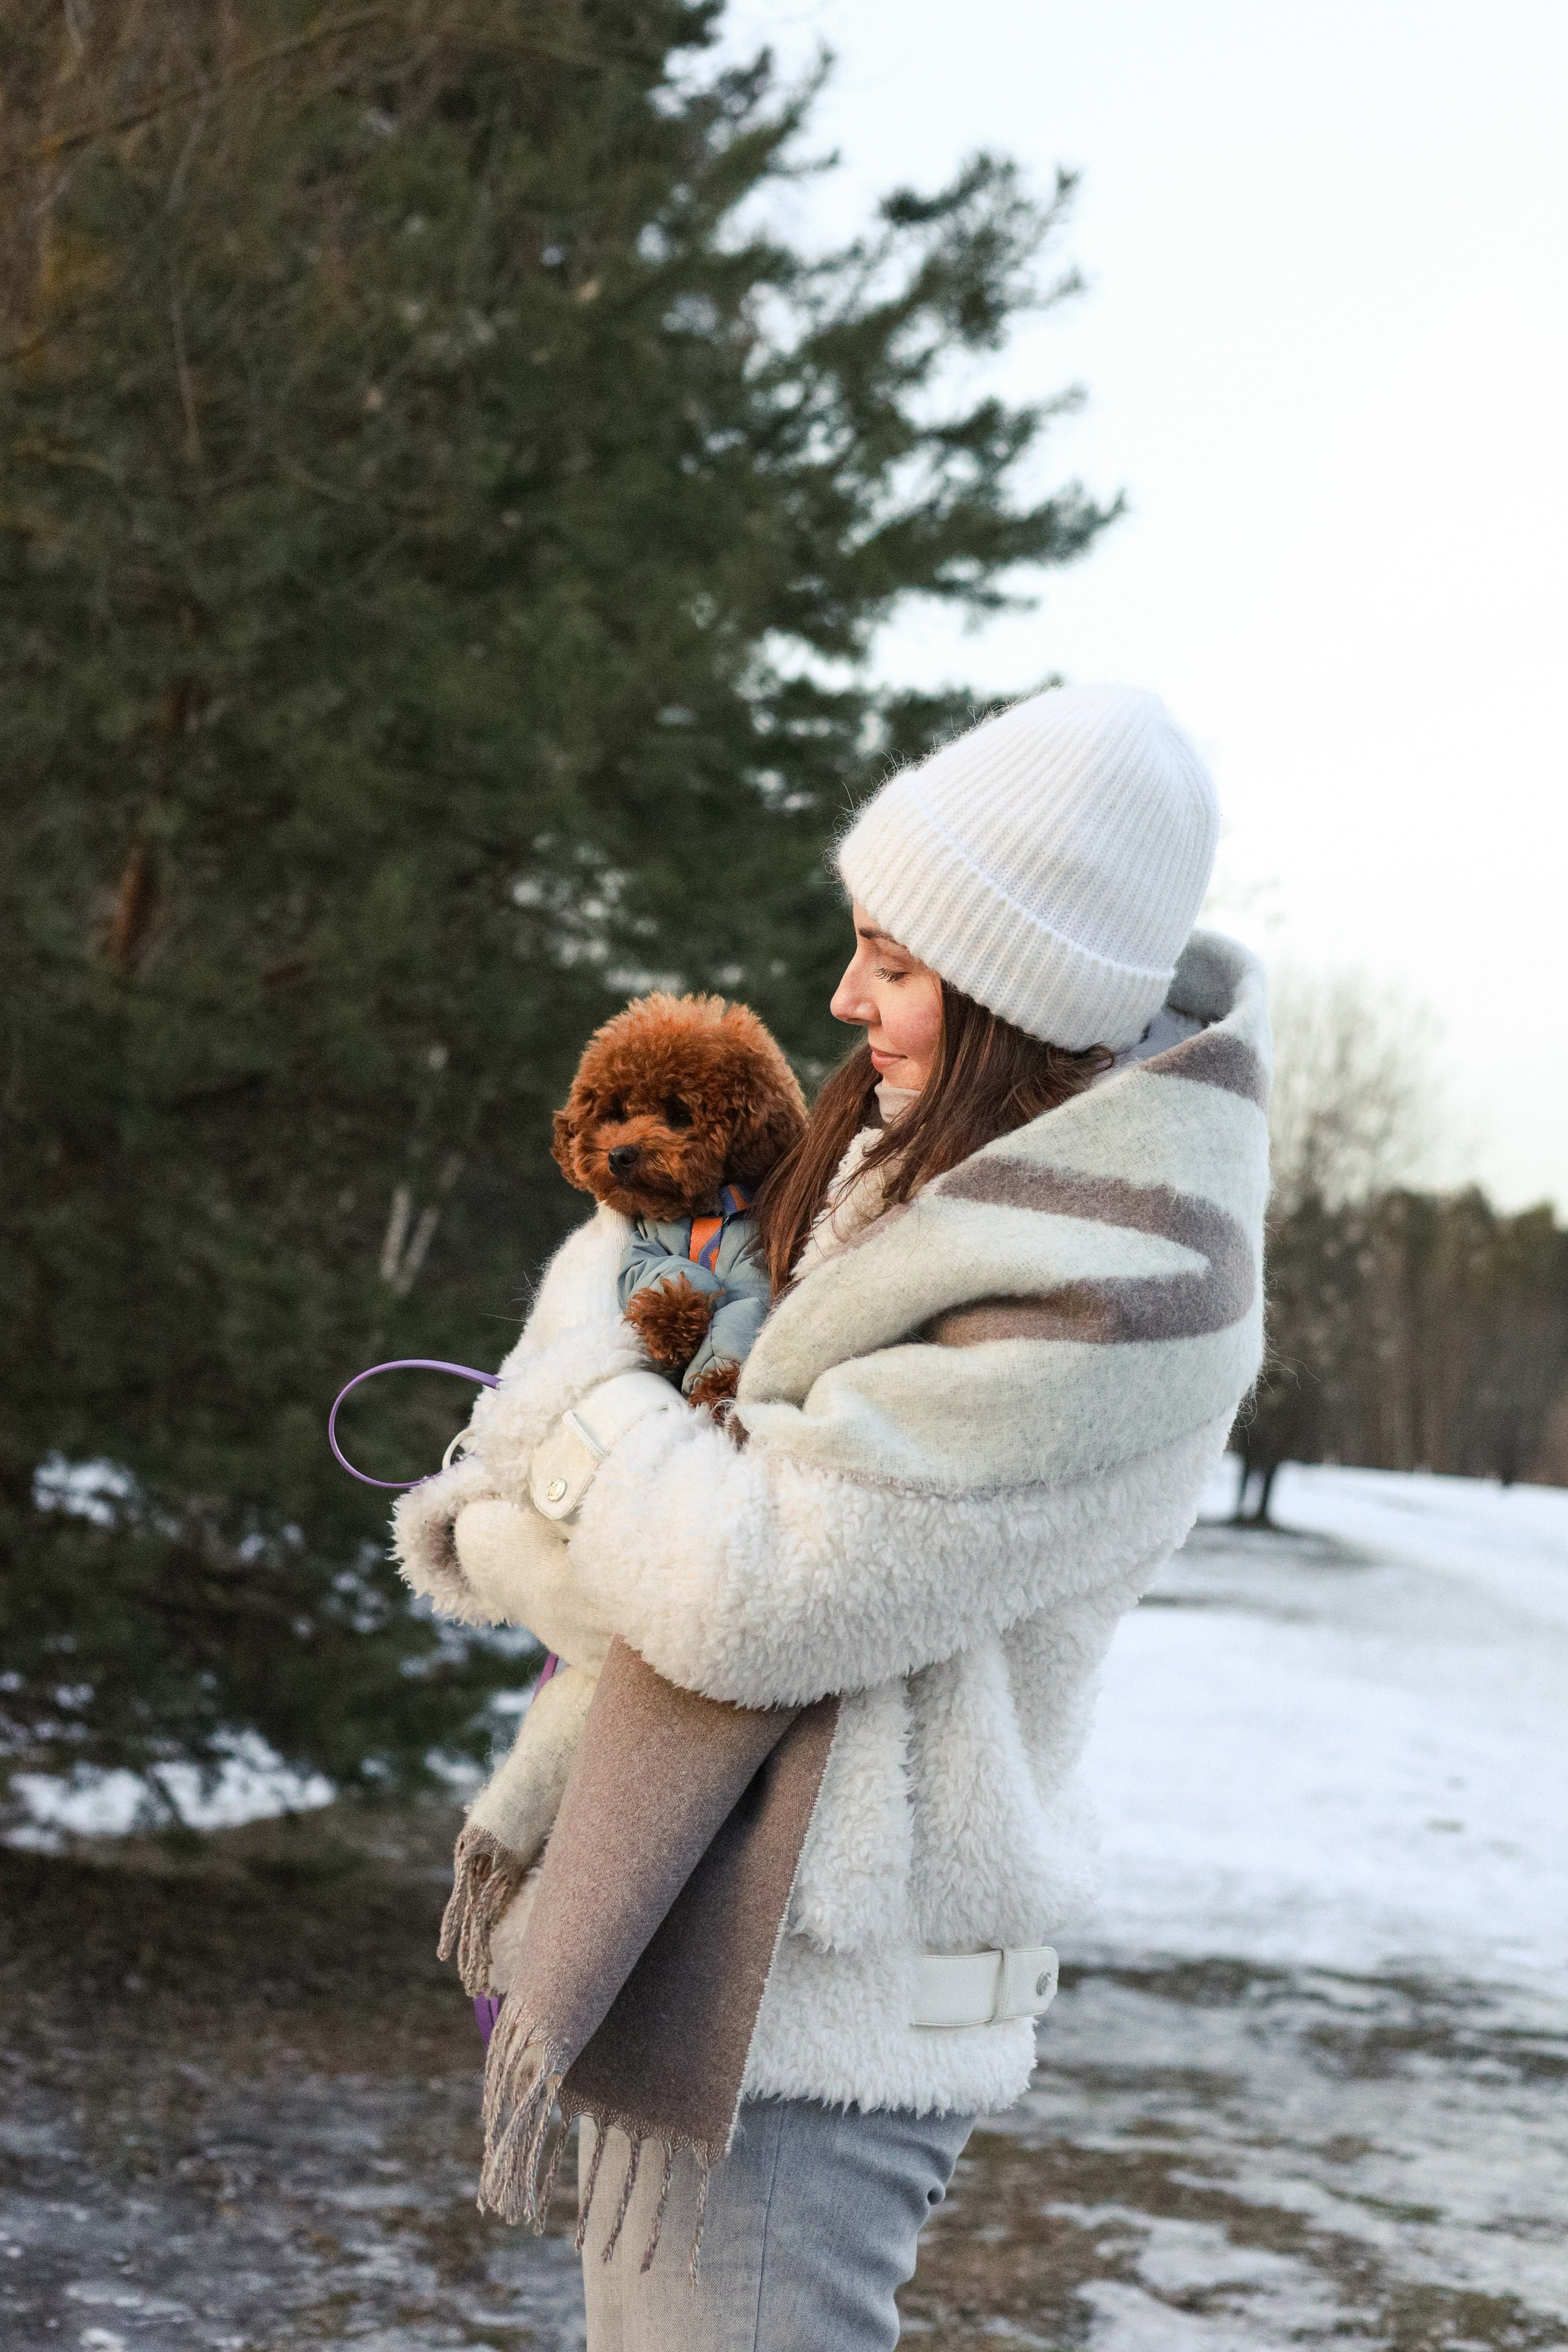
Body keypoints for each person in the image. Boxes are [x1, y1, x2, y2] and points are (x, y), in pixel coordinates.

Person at [406, 682, 1271, 2350]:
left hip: (808, 2027)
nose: (840, 993)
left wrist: (581, 1372)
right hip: (722, 1968)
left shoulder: (1117, 1288)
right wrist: (564, 1523)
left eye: (892, 955)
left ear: (1014, 985)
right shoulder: (909, 1180)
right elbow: (659, 1542)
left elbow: (750, 1593)